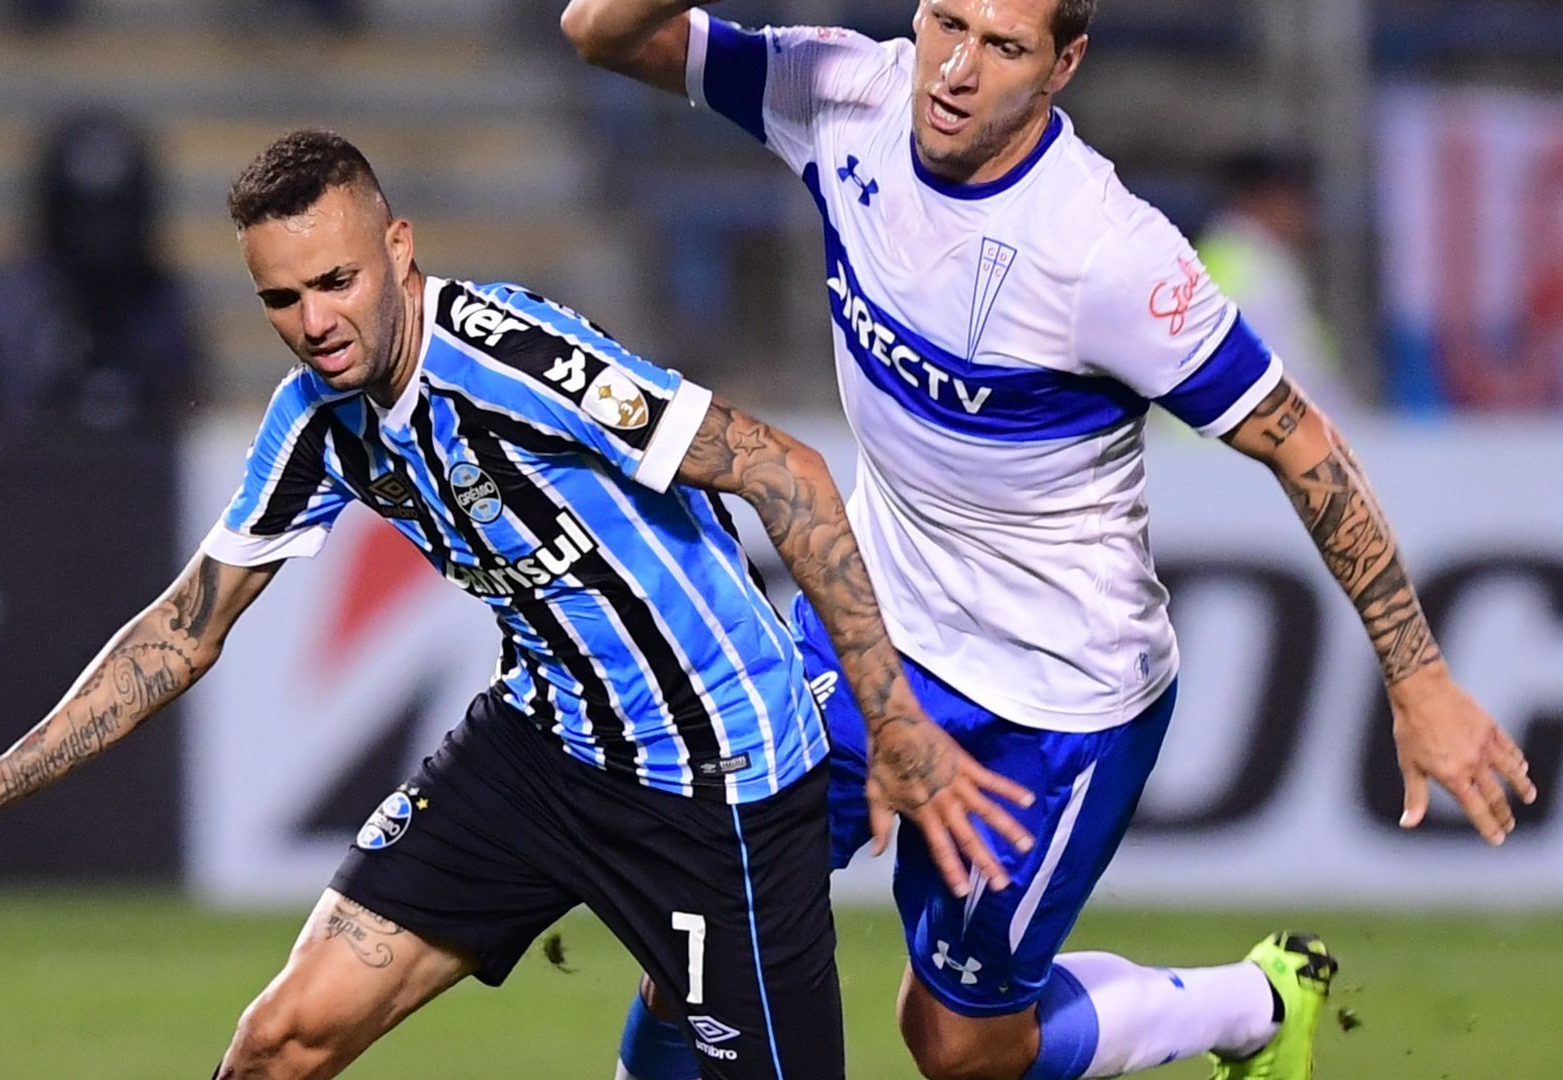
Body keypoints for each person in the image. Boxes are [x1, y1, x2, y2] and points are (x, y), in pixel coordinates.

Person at [0, 129, 1035, 1080]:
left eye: (338, 282)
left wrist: (891, 726)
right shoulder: (315, 419)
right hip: (541, 752)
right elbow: (185, 628)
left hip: (716, 786)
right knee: (279, 1043)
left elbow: (787, 471)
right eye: (282, 298)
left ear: (400, 248)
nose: (315, 323)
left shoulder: (517, 360)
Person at [560, 2, 1540, 1079]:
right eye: (945, 22)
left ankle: (1252, 1005)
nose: (956, 69)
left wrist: (1421, 676)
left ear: (1063, 64)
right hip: (870, 634)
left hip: (1054, 698)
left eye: (1004, 46)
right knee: (696, 929)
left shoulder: (1104, 255)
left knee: (959, 1048)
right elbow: (601, 32)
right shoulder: (841, 96)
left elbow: (1302, 445)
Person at [0, 110, 201, 443]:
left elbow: (192, 427)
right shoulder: (0, 311)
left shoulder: (163, 309)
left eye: (116, 218)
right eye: (85, 218)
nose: (100, 241)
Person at [1196, 152, 1356, 421]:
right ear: (1265, 200)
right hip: (1235, 448)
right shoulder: (1257, 270)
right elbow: (1294, 375)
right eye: (1298, 202)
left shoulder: (1218, 257)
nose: (1306, 216)